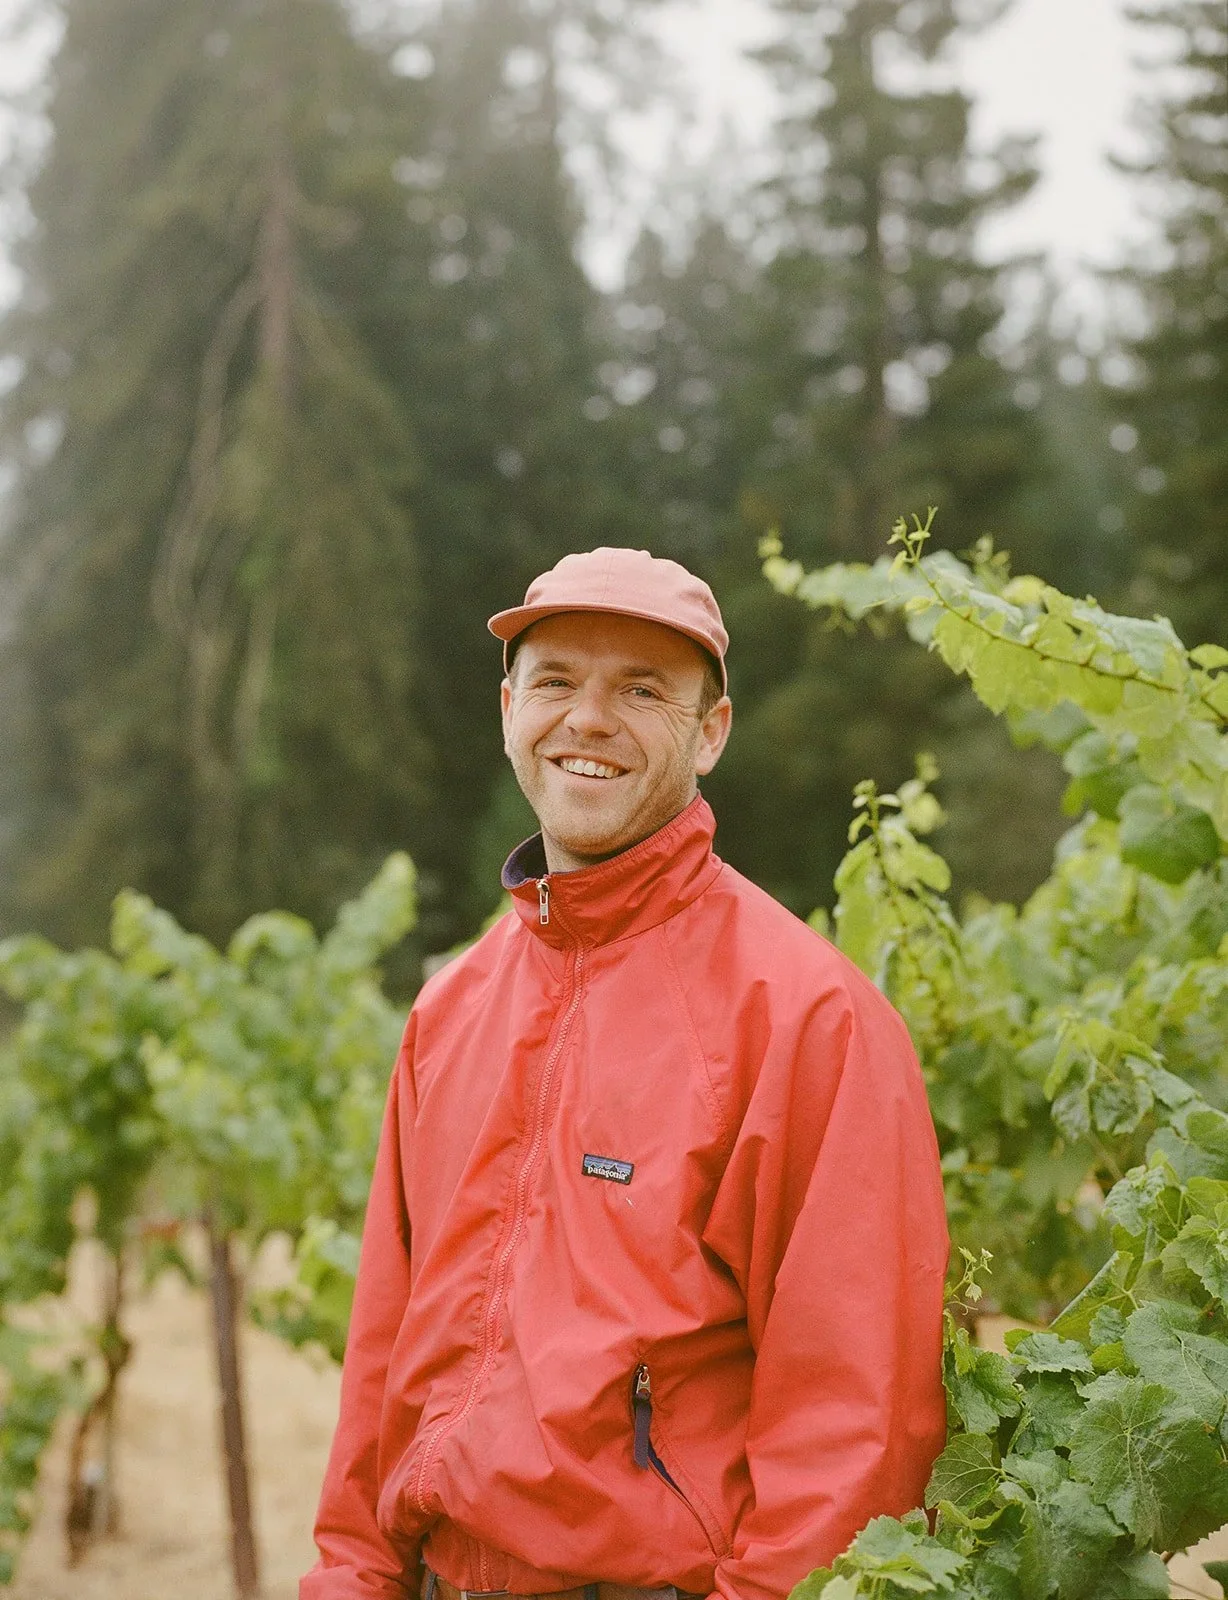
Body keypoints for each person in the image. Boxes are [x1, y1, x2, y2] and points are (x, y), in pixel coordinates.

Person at [302, 547, 949, 1600]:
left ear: (711, 733)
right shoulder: (448, 1012)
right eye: (556, 681)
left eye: (641, 690)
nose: (588, 720)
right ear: (508, 707)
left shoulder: (809, 1019)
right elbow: (385, 1352)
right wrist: (352, 1579)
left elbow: (855, 1418)